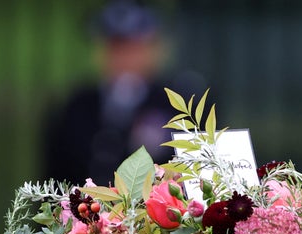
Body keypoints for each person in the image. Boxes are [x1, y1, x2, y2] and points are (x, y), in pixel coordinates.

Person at [43, 1, 192, 187]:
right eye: (115, 48)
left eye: (133, 48)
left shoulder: (176, 104)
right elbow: (52, 182)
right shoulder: (77, 106)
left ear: (154, 49)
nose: (124, 58)